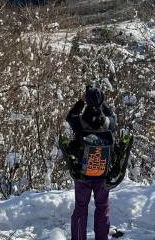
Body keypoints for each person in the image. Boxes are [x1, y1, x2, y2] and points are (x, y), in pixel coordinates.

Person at [65, 86, 117, 240]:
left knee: (81, 208)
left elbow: (69, 117)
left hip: (83, 172)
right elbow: (113, 116)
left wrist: (80, 103)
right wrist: (103, 104)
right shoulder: (108, 123)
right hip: (102, 172)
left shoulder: (79, 121)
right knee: (102, 207)